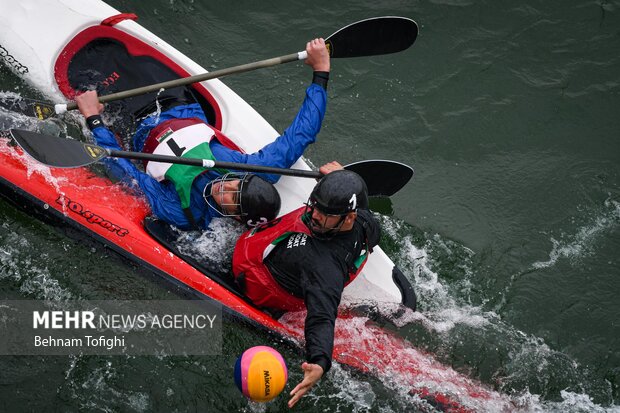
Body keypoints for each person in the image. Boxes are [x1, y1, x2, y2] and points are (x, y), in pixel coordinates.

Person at [75, 38, 331, 230]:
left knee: (82, 73)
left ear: (235, 217)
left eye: (231, 198)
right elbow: (302, 134)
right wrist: (320, 72)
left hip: (135, 123)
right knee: (112, 48)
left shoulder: (184, 211)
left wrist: (94, 120)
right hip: (178, 101)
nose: (225, 186)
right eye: (236, 184)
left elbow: (122, 170)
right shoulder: (258, 169)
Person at [232, 163, 381, 407]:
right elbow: (361, 203)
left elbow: (322, 316)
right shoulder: (366, 222)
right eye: (316, 206)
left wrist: (319, 361)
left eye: (325, 213)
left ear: (349, 218)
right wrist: (339, 180)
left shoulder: (324, 268)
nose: (314, 215)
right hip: (283, 259)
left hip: (254, 284)